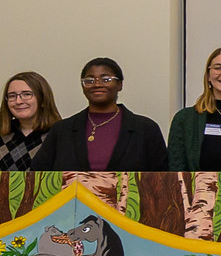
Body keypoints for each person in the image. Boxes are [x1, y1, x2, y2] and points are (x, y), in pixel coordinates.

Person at [31, 58, 168, 171]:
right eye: (89, 80)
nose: (97, 84)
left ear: (119, 85)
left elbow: (161, 179)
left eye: (106, 79)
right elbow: (39, 173)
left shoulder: (146, 129)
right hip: (72, 204)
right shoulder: (62, 129)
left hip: (130, 204)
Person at [0, 72, 61, 171]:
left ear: (43, 99)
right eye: (12, 96)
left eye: (27, 94)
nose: (18, 101)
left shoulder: (61, 138)